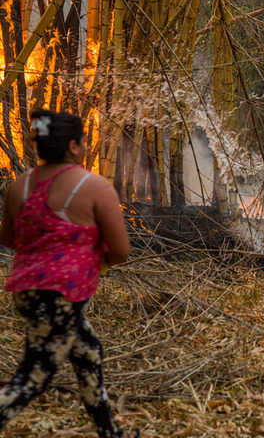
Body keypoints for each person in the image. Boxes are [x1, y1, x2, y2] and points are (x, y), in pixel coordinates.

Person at [0, 110, 138, 437]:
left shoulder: (22, 184)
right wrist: (93, 258)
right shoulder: (94, 186)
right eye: (85, 141)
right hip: (61, 295)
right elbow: (121, 251)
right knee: (33, 378)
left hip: (28, 291)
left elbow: (6, 238)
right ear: (75, 146)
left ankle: (110, 433)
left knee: (88, 352)